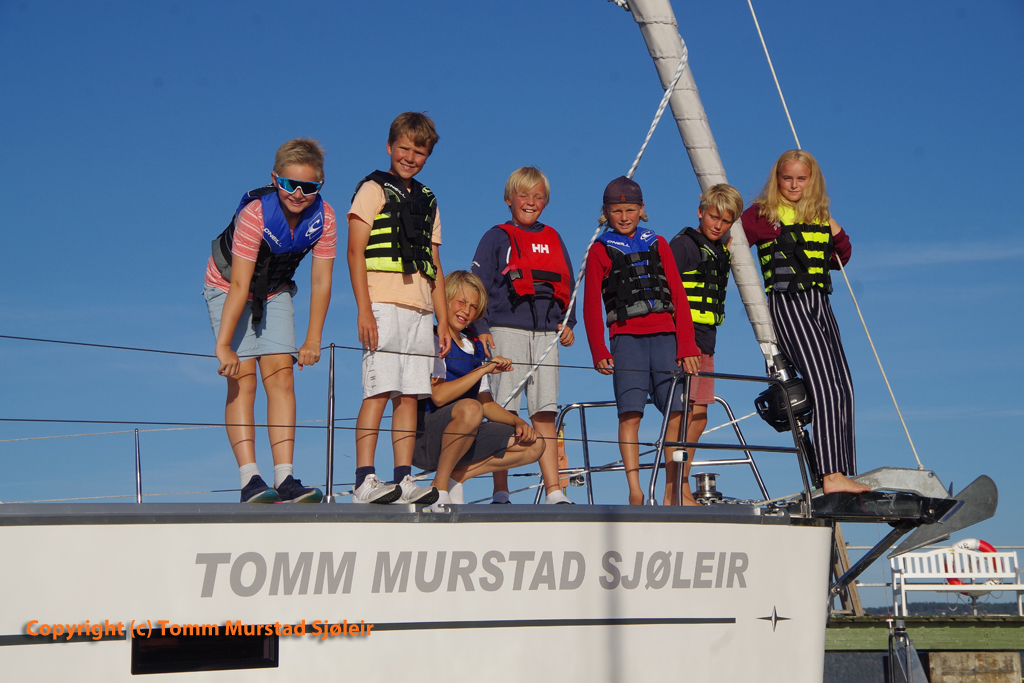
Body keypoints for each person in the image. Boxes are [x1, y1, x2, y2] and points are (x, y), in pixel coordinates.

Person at [204, 138, 334, 503]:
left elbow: (321, 281)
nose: (298, 194)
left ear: (320, 185)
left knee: (281, 375)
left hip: (275, 291)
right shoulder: (255, 215)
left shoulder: (325, 218)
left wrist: (312, 338)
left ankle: (285, 477)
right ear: (275, 179)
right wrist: (224, 346)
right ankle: (250, 479)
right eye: (290, 184)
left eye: (309, 187)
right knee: (242, 378)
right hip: (228, 287)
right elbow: (240, 285)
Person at [741, 150, 870, 495]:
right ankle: (830, 475)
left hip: (820, 303)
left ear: (812, 180)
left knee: (843, 386)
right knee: (824, 385)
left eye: (801, 178)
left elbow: (841, 256)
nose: (794, 185)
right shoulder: (762, 214)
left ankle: (843, 471)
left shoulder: (817, 215)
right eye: (788, 178)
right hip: (789, 302)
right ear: (777, 179)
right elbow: (730, 241)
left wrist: (830, 224)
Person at [347, 112, 450, 505]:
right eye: (404, 148)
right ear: (390, 146)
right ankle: (364, 479)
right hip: (382, 304)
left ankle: (403, 478)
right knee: (378, 390)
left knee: (410, 396)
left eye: (419, 152)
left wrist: (443, 321)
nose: (410, 157)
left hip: (421, 311)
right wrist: (364, 309)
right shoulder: (372, 189)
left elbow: (435, 263)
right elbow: (355, 252)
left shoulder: (428, 200)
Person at [584, 176, 702, 505]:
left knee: (677, 413)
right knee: (630, 414)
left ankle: (674, 488)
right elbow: (591, 304)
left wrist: (687, 344)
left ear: (642, 209)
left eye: (631, 210)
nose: (624, 217)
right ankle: (635, 490)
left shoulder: (658, 243)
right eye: (617, 210)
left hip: (666, 339)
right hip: (626, 341)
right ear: (605, 212)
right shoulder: (599, 251)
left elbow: (678, 295)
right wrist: (598, 349)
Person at [470, 167, 576, 504]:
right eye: (523, 195)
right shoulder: (495, 237)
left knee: (544, 412)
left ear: (546, 202)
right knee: (504, 411)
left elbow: (570, 285)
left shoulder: (555, 237)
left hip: (546, 336)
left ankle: (554, 491)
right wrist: (481, 329)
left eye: (538, 196)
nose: (530, 202)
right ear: (509, 199)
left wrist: (569, 324)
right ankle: (500, 491)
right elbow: (477, 288)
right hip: (505, 332)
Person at [414, 271, 546, 508]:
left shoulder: (474, 348)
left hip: (466, 434)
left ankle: (456, 477)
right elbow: (439, 395)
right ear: (444, 300)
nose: (466, 311)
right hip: (427, 437)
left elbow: (486, 404)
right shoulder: (433, 340)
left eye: (473, 307)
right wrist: (483, 370)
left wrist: (518, 422)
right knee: (471, 408)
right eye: (461, 302)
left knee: (535, 444)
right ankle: (439, 488)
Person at [665, 184, 744, 506]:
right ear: (700, 212)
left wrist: (726, 245)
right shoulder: (683, 245)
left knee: (699, 417)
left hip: (706, 342)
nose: (718, 225)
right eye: (713, 217)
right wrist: (682, 344)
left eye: (726, 221)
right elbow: (665, 287)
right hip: (685, 342)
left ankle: (680, 485)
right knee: (682, 416)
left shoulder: (719, 249)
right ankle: (674, 490)